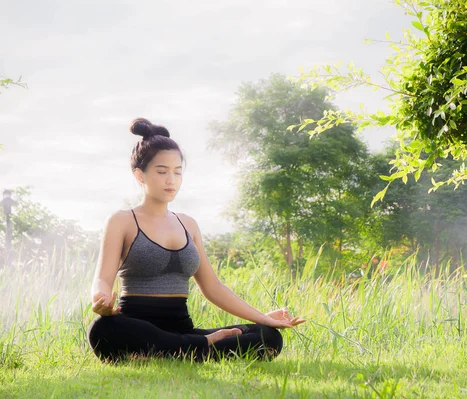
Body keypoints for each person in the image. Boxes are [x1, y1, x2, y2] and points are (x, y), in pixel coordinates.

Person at [87, 118, 305, 363]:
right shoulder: (122, 220)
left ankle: (172, 351)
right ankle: (195, 348)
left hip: (182, 330)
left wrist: (264, 319)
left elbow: (213, 288)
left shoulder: (188, 224)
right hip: (136, 327)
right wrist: (101, 299)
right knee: (103, 329)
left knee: (268, 336)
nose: (171, 180)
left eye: (177, 172)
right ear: (140, 175)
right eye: (161, 172)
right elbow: (103, 278)